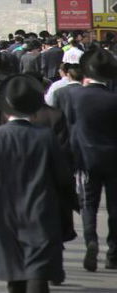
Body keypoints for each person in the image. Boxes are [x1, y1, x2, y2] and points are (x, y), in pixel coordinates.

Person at [0, 75, 75, 293]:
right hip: (41, 210)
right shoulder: (45, 136)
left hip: (6, 214)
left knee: (14, 271)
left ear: (6, 108)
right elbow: (62, 176)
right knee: (38, 270)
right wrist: (71, 204)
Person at [61, 48, 117, 272]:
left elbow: (67, 131)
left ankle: (91, 241)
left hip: (85, 159)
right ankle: (113, 252)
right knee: (114, 208)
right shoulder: (113, 99)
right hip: (113, 159)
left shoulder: (72, 97)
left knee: (88, 205)